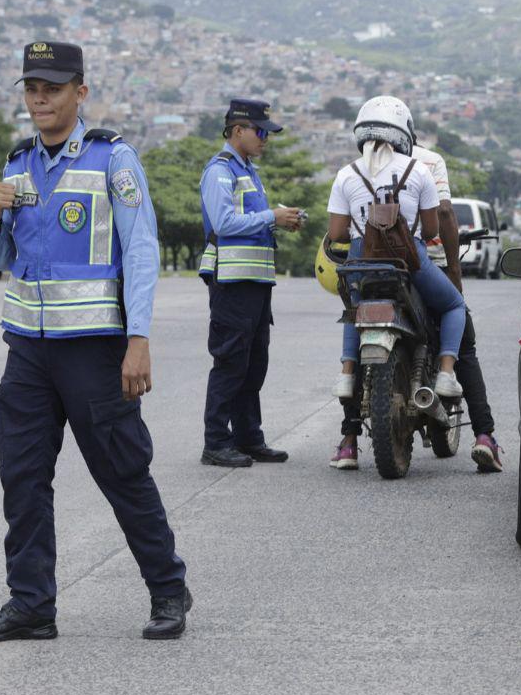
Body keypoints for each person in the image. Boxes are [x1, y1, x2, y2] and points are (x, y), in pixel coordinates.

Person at [0, 41, 190, 642]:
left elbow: (141, 250)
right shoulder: (18, 165)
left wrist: (138, 339)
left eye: (54, 88)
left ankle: (168, 589)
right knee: (22, 474)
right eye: (32, 88)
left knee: (122, 470)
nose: (40, 98)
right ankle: (31, 604)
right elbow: (4, 257)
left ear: (80, 93)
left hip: (95, 349)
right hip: (29, 352)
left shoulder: (112, 161)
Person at [326, 96, 468, 469]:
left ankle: (345, 375)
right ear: (404, 134)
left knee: (355, 312)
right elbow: (434, 228)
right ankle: (447, 375)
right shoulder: (418, 170)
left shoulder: (346, 174)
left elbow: (337, 232)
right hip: (409, 261)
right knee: (453, 305)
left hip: (361, 262)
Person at [197, 99, 303, 468]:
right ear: (237, 130)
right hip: (232, 282)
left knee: (253, 364)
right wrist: (271, 215)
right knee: (230, 362)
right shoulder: (220, 171)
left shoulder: (248, 171)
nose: (265, 139)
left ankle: (248, 437)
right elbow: (224, 224)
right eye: (260, 132)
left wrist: (279, 222)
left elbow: (251, 221)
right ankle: (216, 441)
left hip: (255, 282)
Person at [412, 140, 502, 473]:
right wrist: (453, 267)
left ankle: (349, 438)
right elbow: (445, 212)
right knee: (464, 344)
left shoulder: (362, 163)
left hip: (376, 269)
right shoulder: (429, 161)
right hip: (427, 264)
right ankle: (484, 437)